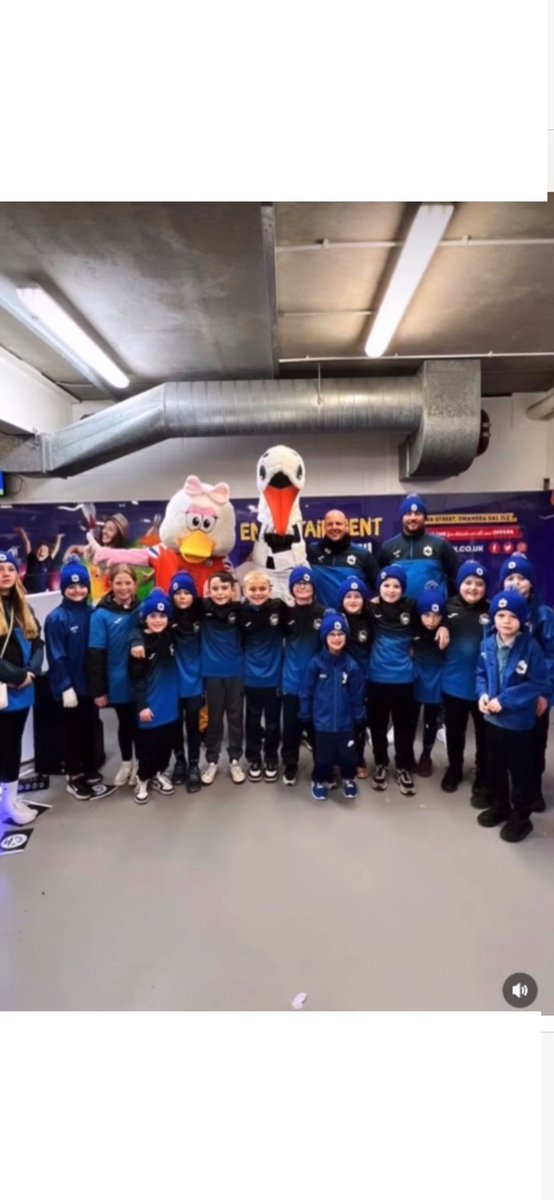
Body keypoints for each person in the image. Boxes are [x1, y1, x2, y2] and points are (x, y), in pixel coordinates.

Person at [476, 590, 547, 842]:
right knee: (494, 768)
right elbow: (481, 674)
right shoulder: (486, 644)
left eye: (512, 616)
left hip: (519, 725)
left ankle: (521, 816)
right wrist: (483, 694)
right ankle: (500, 805)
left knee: (521, 771)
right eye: (501, 615)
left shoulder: (531, 647)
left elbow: (537, 682)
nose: (506, 621)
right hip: (492, 723)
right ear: (493, 617)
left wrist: (503, 701)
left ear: (522, 620)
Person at [44, 562, 115, 800]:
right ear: (64, 588)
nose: (77, 590)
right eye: (71, 586)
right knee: (71, 732)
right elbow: (56, 655)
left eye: (81, 585)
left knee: (89, 728)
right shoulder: (56, 618)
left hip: (90, 686)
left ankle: (87, 768)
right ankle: (73, 776)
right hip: (70, 689)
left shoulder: (92, 613)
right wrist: (65, 687)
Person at [499, 552, 554, 813]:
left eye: (521, 578)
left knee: (535, 742)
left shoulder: (543, 615)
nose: (515, 582)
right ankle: (512, 787)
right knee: (508, 742)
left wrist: (545, 694)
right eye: (510, 577)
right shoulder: (499, 611)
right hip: (506, 694)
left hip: (534, 694)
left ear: (531, 582)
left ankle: (532, 789)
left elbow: (551, 656)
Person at [299, 611, 366, 802]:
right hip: (322, 723)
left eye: (340, 634)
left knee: (348, 756)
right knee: (323, 757)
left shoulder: (351, 666)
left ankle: (347, 778)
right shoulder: (316, 664)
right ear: (324, 637)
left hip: (345, 723)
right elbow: (307, 691)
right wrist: (304, 712)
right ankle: (318, 780)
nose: (336, 638)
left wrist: (359, 714)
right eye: (332, 635)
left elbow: (357, 693)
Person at [87, 563, 141, 787]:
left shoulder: (142, 608)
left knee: (142, 725)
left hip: (141, 680)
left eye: (128, 582)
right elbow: (96, 654)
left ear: (135, 585)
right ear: (111, 584)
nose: (123, 587)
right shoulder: (100, 614)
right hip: (117, 681)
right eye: (119, 583)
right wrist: (99, 690)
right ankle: (127, 763)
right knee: (125, 724)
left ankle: (141, 765)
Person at [0, 550, 44, 825]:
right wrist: (17, 676)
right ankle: (8, 799)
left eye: (10, 569)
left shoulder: (23, 608)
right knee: (4, 745)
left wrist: (31, 671)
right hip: (5, 690)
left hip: (22, 692)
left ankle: (11, 796)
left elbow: (38, 643)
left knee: (11, 743)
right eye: (0, 569)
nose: (5, 574)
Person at [441, 560, 490, 802]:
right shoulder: (446, 608)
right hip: (453, 685)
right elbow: (425, 624)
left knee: (484, 735)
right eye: (468, 582)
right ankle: (454, 769)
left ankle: (482, 774)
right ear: (459, 584)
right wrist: (439, 627)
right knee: (455, 732)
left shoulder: (493, 611)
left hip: (484, 689)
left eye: (479, 584)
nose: (472, 588)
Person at [367, 566, 418, 796]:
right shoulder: (371, 608)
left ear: (403, 589)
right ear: (379, 587)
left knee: (403, 727)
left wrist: (445, 627)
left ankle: (403, 767)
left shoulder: (411, 607)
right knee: (378, 726)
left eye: (396, 586)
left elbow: (432, 621)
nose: (391, 589)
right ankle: (380, 763)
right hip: (376, 677)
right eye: (386, 585)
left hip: (404, 679)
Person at [129, 589, 179, 804]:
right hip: (150, 704)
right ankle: (143, 777)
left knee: (165, 742)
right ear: (145, 618)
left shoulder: (170, 635)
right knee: (148, 744)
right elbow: (137, 678)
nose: (158, 620)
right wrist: (142, 706)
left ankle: (159, 772)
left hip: (170, 703)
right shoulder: (140, 646)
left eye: (162, 616)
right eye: (153, 616)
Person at [239, 570, 285, 783]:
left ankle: (271, 757)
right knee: (253, 720)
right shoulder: (240, 612)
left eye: (262, 589)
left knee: (274, 721)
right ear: (244, 591)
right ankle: (254, 757)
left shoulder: (278, 608)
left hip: (274, 676)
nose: (258, 593)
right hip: (251, 677)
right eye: (253, 590)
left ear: (270, 589)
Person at [200, 571, 245, 786]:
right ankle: (212, 761)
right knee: (214, 719)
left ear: (233, 591)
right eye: (215, 588)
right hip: (212, 672)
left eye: (224, 588)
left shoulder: (240, 611)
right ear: (209, 590)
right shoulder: (202, 608)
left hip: (235, 672)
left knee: (235, 718)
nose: (219, 593)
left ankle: (235, 760)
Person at [281, 566, 325, 786]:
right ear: (292, 588)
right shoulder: (284, 614)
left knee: (319, 727)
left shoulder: (325, 614)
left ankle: (322, 765)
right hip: (291, 681)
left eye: (307, 583)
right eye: (298, 584)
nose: (302, 587)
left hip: (317, 682)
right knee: (291, 727)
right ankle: (290, 765)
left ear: (313, 587)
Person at [378, 494, 459, 599]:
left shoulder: (440, 545)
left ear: (425, 517)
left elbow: (456, 578)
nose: (413, 518)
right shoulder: (388, 547)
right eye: (408, 514)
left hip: (432, 612)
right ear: (401, 517)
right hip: (400, 612)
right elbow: (379, 581)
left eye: (417, 513)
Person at [167, 572, 203, 794]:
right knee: (174, 723)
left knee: (193, 723)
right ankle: (179, 761)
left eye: (187, 593)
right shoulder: (165, 617)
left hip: (195, 679)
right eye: (178, 593)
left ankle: (193, 765)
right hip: (172, 680)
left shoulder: (201, 615)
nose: (182, 597)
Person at [307, 509, 378, 610]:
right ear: (324, 527)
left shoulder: (363, 554)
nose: (334, 527)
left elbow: (378, 586)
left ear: (346, 526)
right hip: (321, 619)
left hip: (352, 620)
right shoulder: (311, 552)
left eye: (338, 523)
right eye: (330, 524)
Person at [411, 588, 449, 776]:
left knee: (431, 720)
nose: (432, 620)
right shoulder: (410, 626)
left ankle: (426, 756)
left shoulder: (446, 630)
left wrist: (446, 626)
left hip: (436, 677)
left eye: (437, 615)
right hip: (415, 676)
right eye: (427, 615)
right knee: (410, 719)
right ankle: (407, 755)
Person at [337, 575, 372, 778]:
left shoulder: (370, 620)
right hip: (338, 680)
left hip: (361, 680)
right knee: (338, 721)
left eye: (357, 596)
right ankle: (337, 759)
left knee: (359, 721)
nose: (352, 600)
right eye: (348, 596)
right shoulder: (334, 619)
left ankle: (358, 758)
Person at [15, 527, 64, 594]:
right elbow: (27, 542)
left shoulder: (47, 561)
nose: (42, 552)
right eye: (40, 550)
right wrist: (21, 531)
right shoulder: (31, 558)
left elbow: (56, 549)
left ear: (48, 554)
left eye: (45, 551)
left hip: (41, 593)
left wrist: (58, 538)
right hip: (27, 592)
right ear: (36, 551)